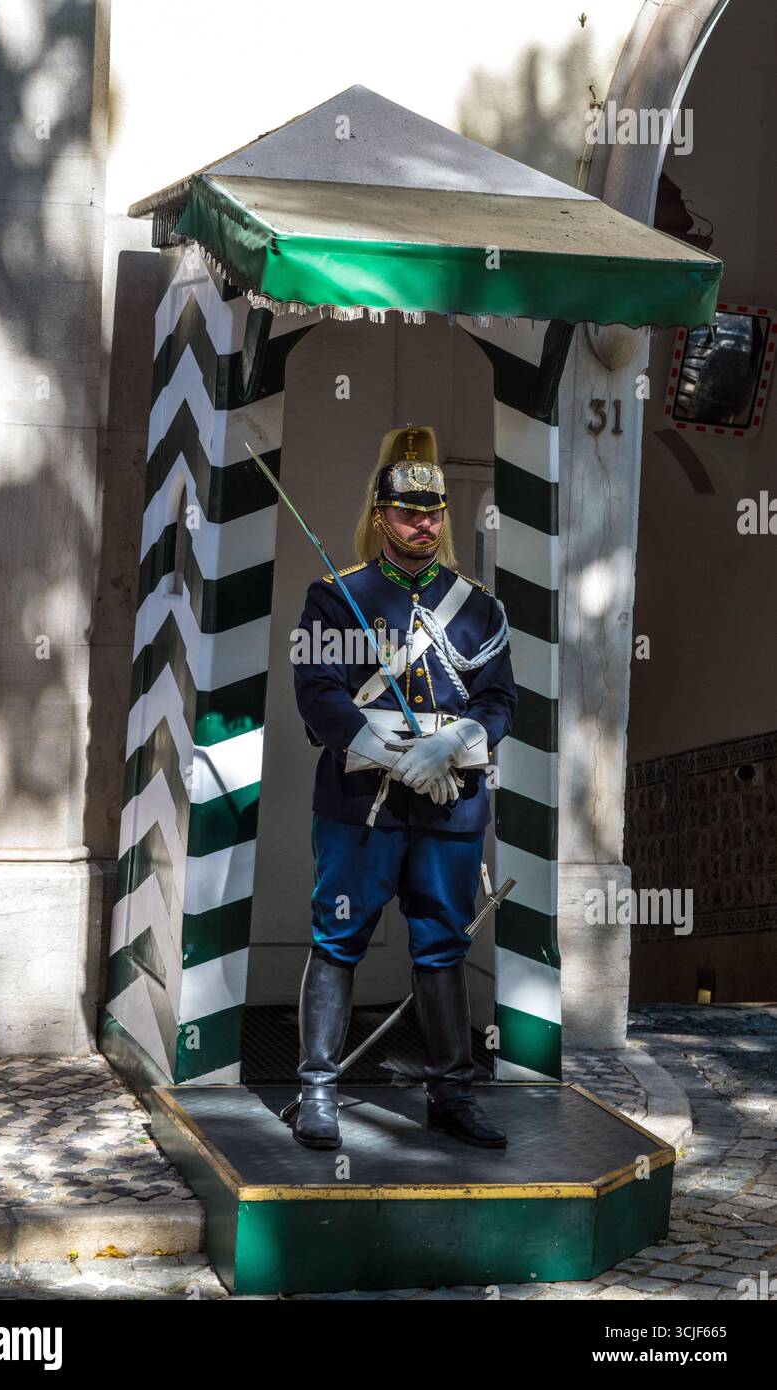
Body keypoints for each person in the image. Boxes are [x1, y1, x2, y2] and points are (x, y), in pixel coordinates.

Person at [290, 425, 518, 1150]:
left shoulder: (478, 607)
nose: (426, 524)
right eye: (410, 512)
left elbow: (500, 700)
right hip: (362, 808)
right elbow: (318, 697)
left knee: (443, 946)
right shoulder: (336, 597)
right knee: (337, 938)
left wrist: (453, 743)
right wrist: (395, 757)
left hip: (451, 809)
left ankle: (451, 1093)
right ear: (382, 515)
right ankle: (317, 1091)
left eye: (436, 512)